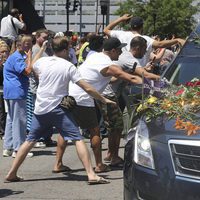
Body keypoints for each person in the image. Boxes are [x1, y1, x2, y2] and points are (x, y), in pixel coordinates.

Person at [5, 36, 114, 185]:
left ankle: (12, 173)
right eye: (69, 48)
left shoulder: (42, 62)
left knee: (30, 140)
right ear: (64, 50)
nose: (70, 51)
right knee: (78, 139)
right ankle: (91, 174)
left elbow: (33, 65)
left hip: (41, 108)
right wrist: (102, 99)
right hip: (58, 108)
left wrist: (41, 49)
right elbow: (86, 87)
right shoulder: (68, 66)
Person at [67, 37, 142, 173]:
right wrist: (152, 85)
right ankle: (100, 164)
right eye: (119, 50)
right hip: (84, 97)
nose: (120, 53)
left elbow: (109, 78)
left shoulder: (95, 57)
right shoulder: (106, 62)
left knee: (66, 129)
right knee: (95, 130)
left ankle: (58, 163)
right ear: (113, 50)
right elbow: (130, 78)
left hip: (73, 95)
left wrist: (121, 76)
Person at [103, 14, 185, 67]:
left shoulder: (121, 34)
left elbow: (106, 30)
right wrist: (176, 40)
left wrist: (121, 19)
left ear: (130, 26)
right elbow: (160, 44)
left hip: (121, 71)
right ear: (142, 27)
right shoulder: (145, 39)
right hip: (137, 74)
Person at [3, 34, 33, 158]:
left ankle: (8, 147)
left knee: (11, 119)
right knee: (19, 120)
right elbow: (27, 71)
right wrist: (30, 57)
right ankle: (19, 149)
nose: (30, 45)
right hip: (17, 91)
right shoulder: (17, 57)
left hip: (10, 92)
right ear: (20, 44)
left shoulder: (16, 56)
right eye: (28, 43)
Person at [0, 41, 10, 139]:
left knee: (7, 112)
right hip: (1, 90)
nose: (4, 54)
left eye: (6, 52)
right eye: (2, 52)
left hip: (8, 91)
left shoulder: (9, 62)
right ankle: (2, 132)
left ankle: (6, 131)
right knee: (1, 112)